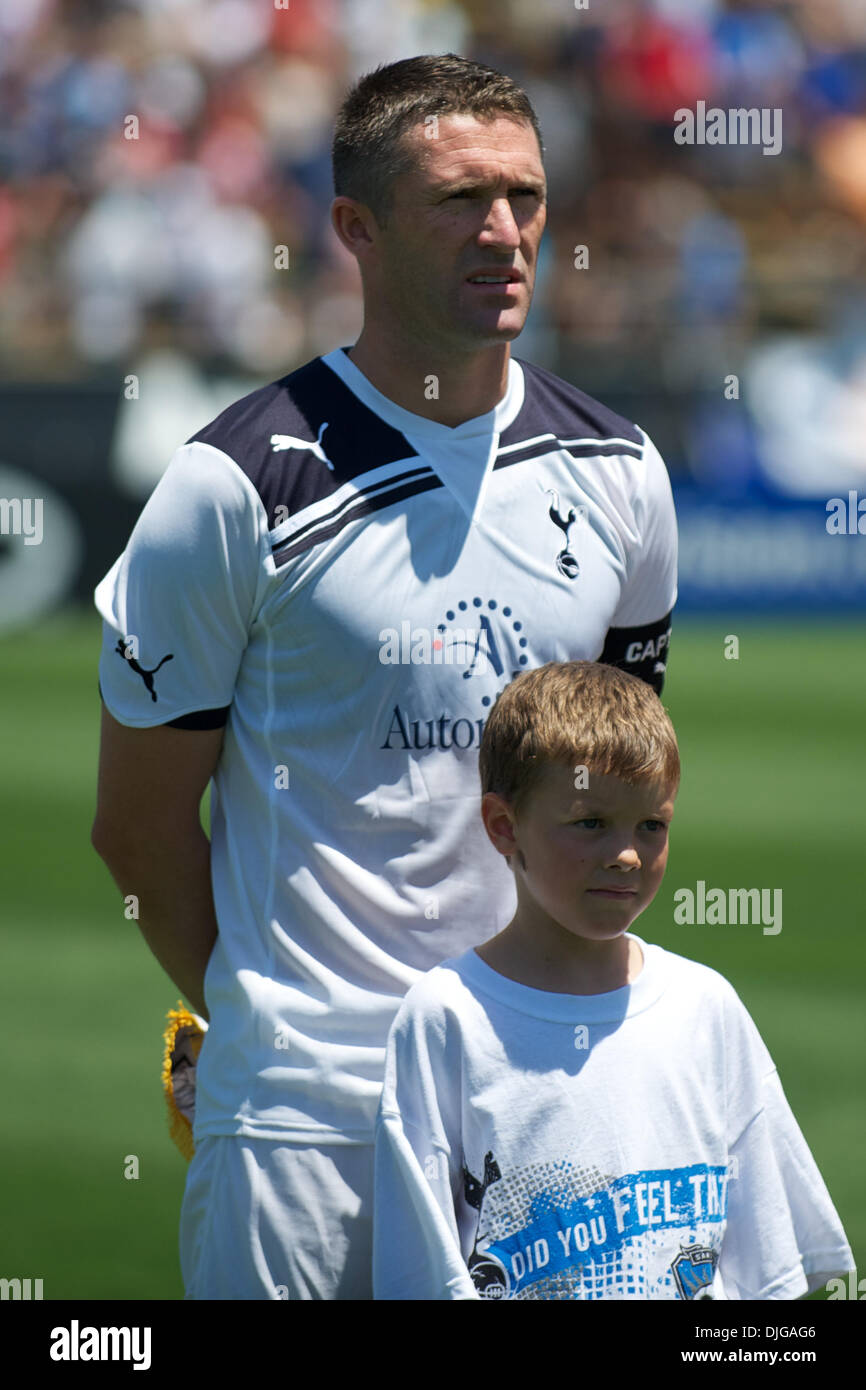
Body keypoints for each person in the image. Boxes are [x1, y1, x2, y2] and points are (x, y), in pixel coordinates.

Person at [90, 54, 678, 1301]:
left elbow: (610, 802)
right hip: (302, 1133)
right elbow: (137, 829)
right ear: (353, 228)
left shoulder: (621, 473)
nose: (504, 232)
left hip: (535, 1116)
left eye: (523, 197)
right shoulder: (232, 486)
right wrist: (268, 1027)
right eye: (459, 200)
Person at [373, 661, 854, 1300]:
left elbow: (770, 1278)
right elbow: (420, 1274)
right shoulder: (446, 1018)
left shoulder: (705, 1008)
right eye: (590, 822)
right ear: (502, 826)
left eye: (650, 825)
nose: (626, 853)